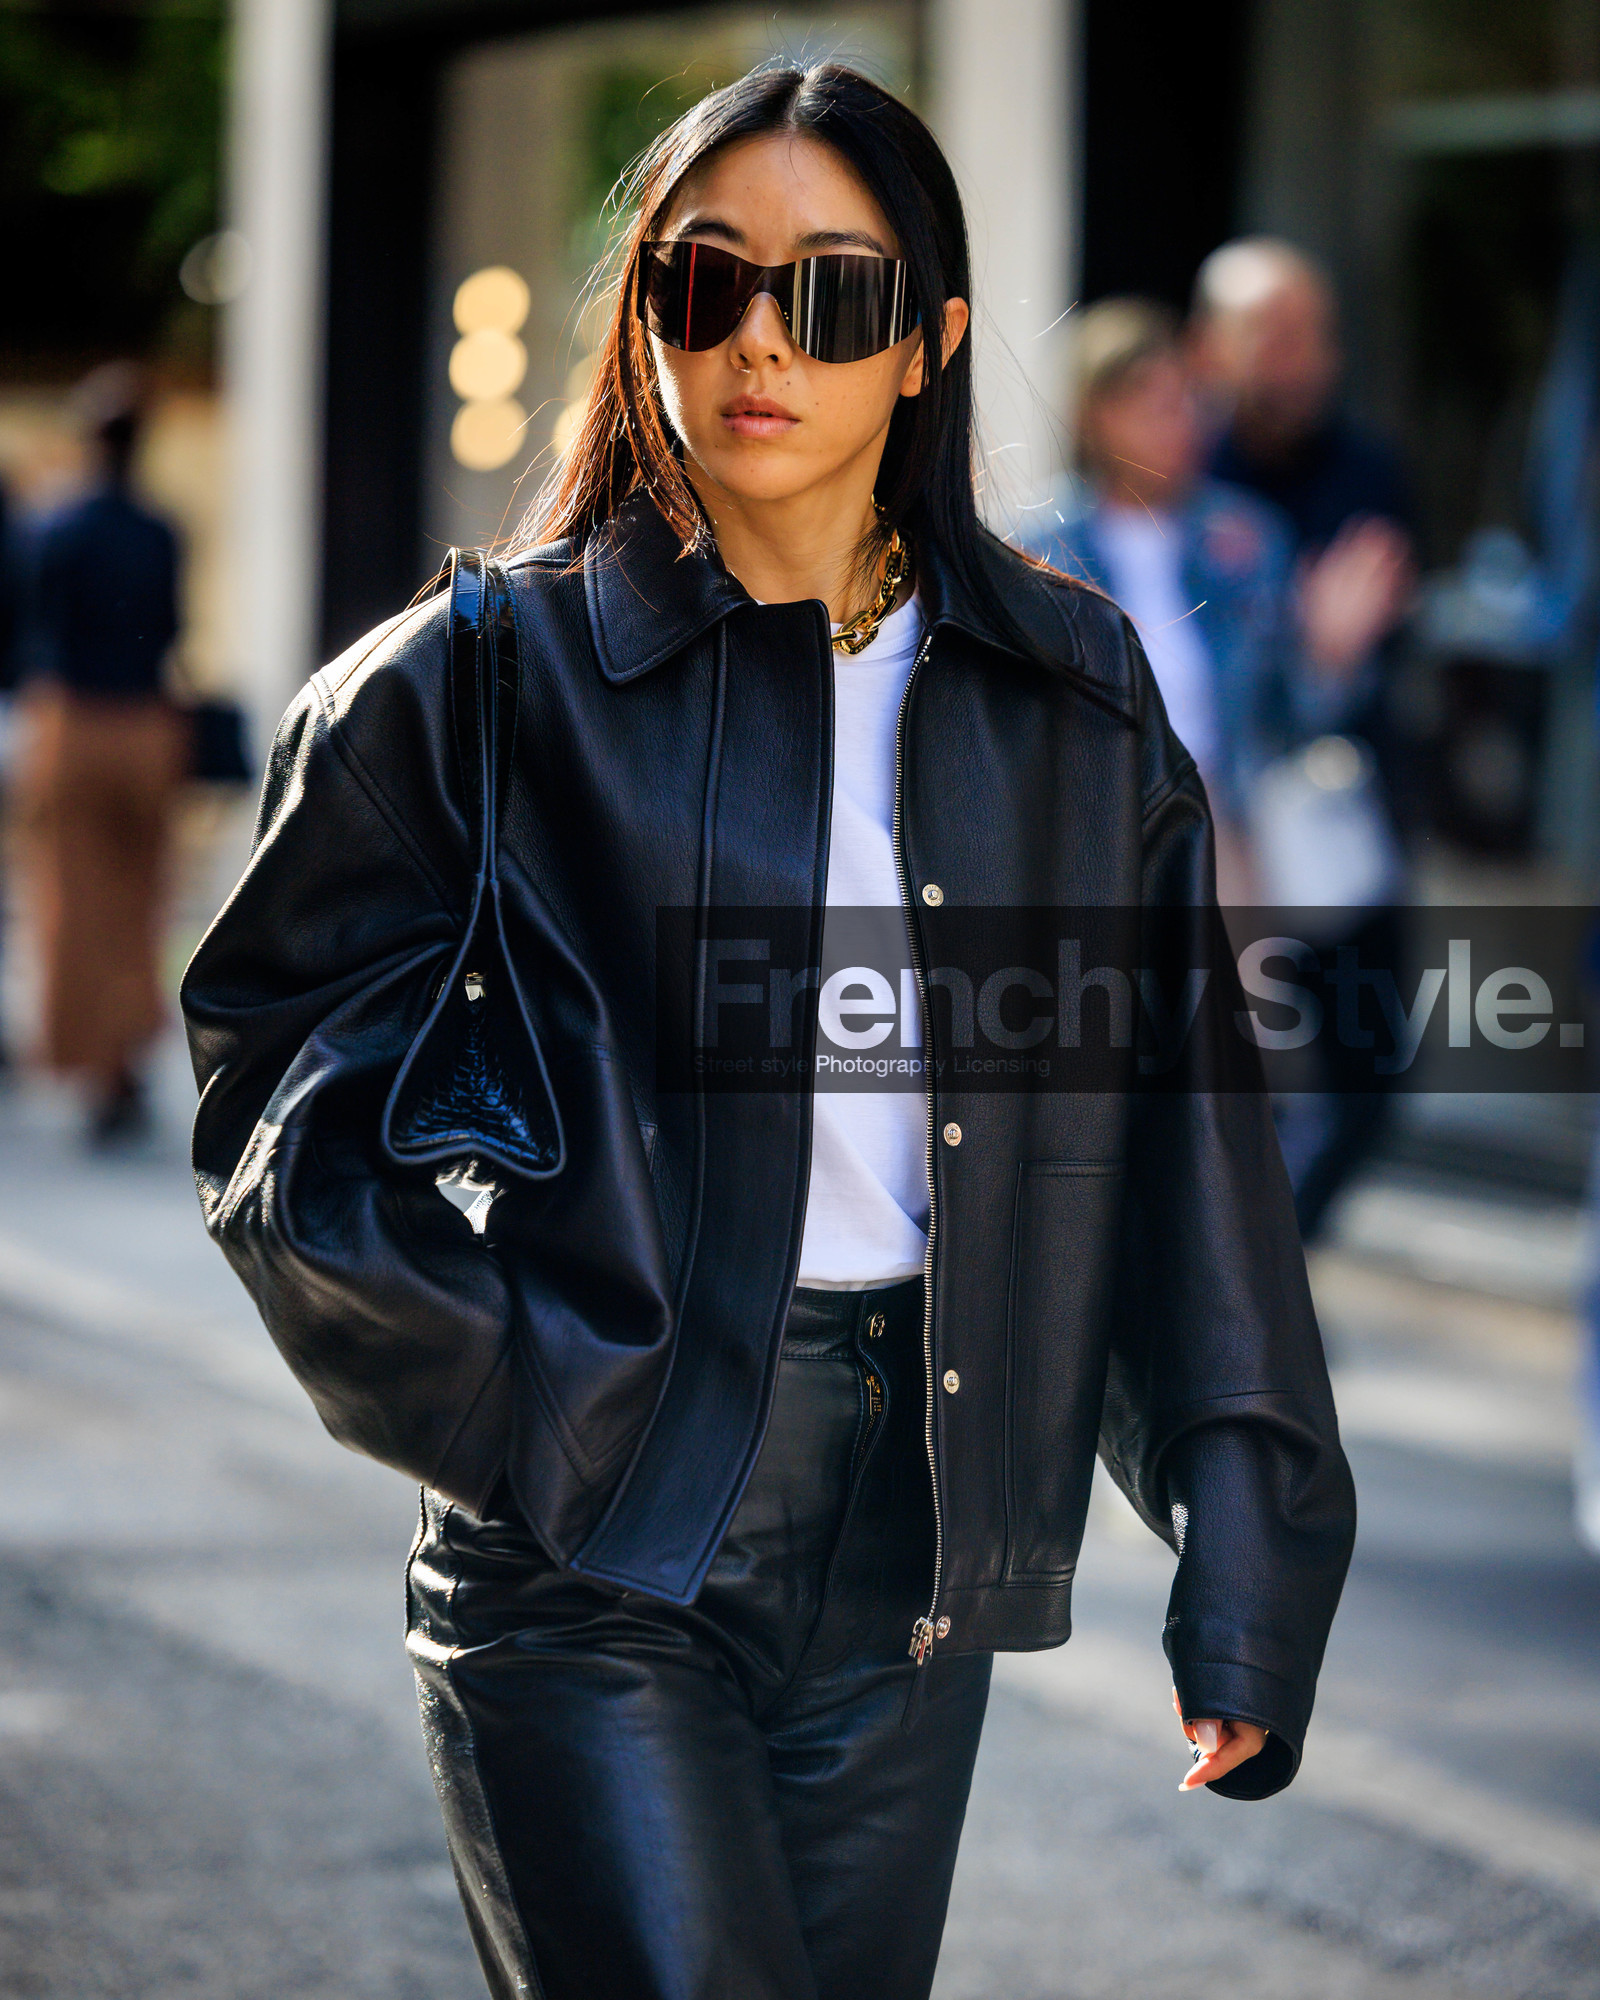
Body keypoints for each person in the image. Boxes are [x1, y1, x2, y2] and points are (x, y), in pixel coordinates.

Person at [180, 65, 1356, 2000]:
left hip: (916, 1569)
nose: (757, 341)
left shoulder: (1069, 693)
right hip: (593, 1557)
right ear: (643, 313)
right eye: (702, 281)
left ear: (929, 344)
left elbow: (1180, 1135)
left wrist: (1247, 1557)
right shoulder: (481, 678)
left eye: (830, 295)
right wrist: (514, 1399)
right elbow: (270, 1101)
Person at [1192, 239, 1417, 1240]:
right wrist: (1304, 644)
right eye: (1270, 332)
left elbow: (1386, 636)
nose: (1298, 357)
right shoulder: (1179, 476)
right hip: (1212, 833)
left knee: (1369, 1075)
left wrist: (1332, 661)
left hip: (1335, 822)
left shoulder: (1369, 469)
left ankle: (1262, 1279)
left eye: (1312, 333)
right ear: (1212, 345)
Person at [1022, 297, 1300, 902]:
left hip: (1217, 820)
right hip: (1083, 831)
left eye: (1188, 399)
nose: (1180, 422)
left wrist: (1328, 656)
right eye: (1152, 404)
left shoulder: (1245, 539)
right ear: (1096, 414)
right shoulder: (1038, 548)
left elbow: (1291, 709)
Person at [19, 366, 188, 1143]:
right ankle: (123, 1058)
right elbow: (173, 629)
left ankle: (90, 1064)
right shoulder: (160, 531)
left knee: (71, 898)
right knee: (139, 900)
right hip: (148, 724)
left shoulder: (55, 528)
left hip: (73, 722)